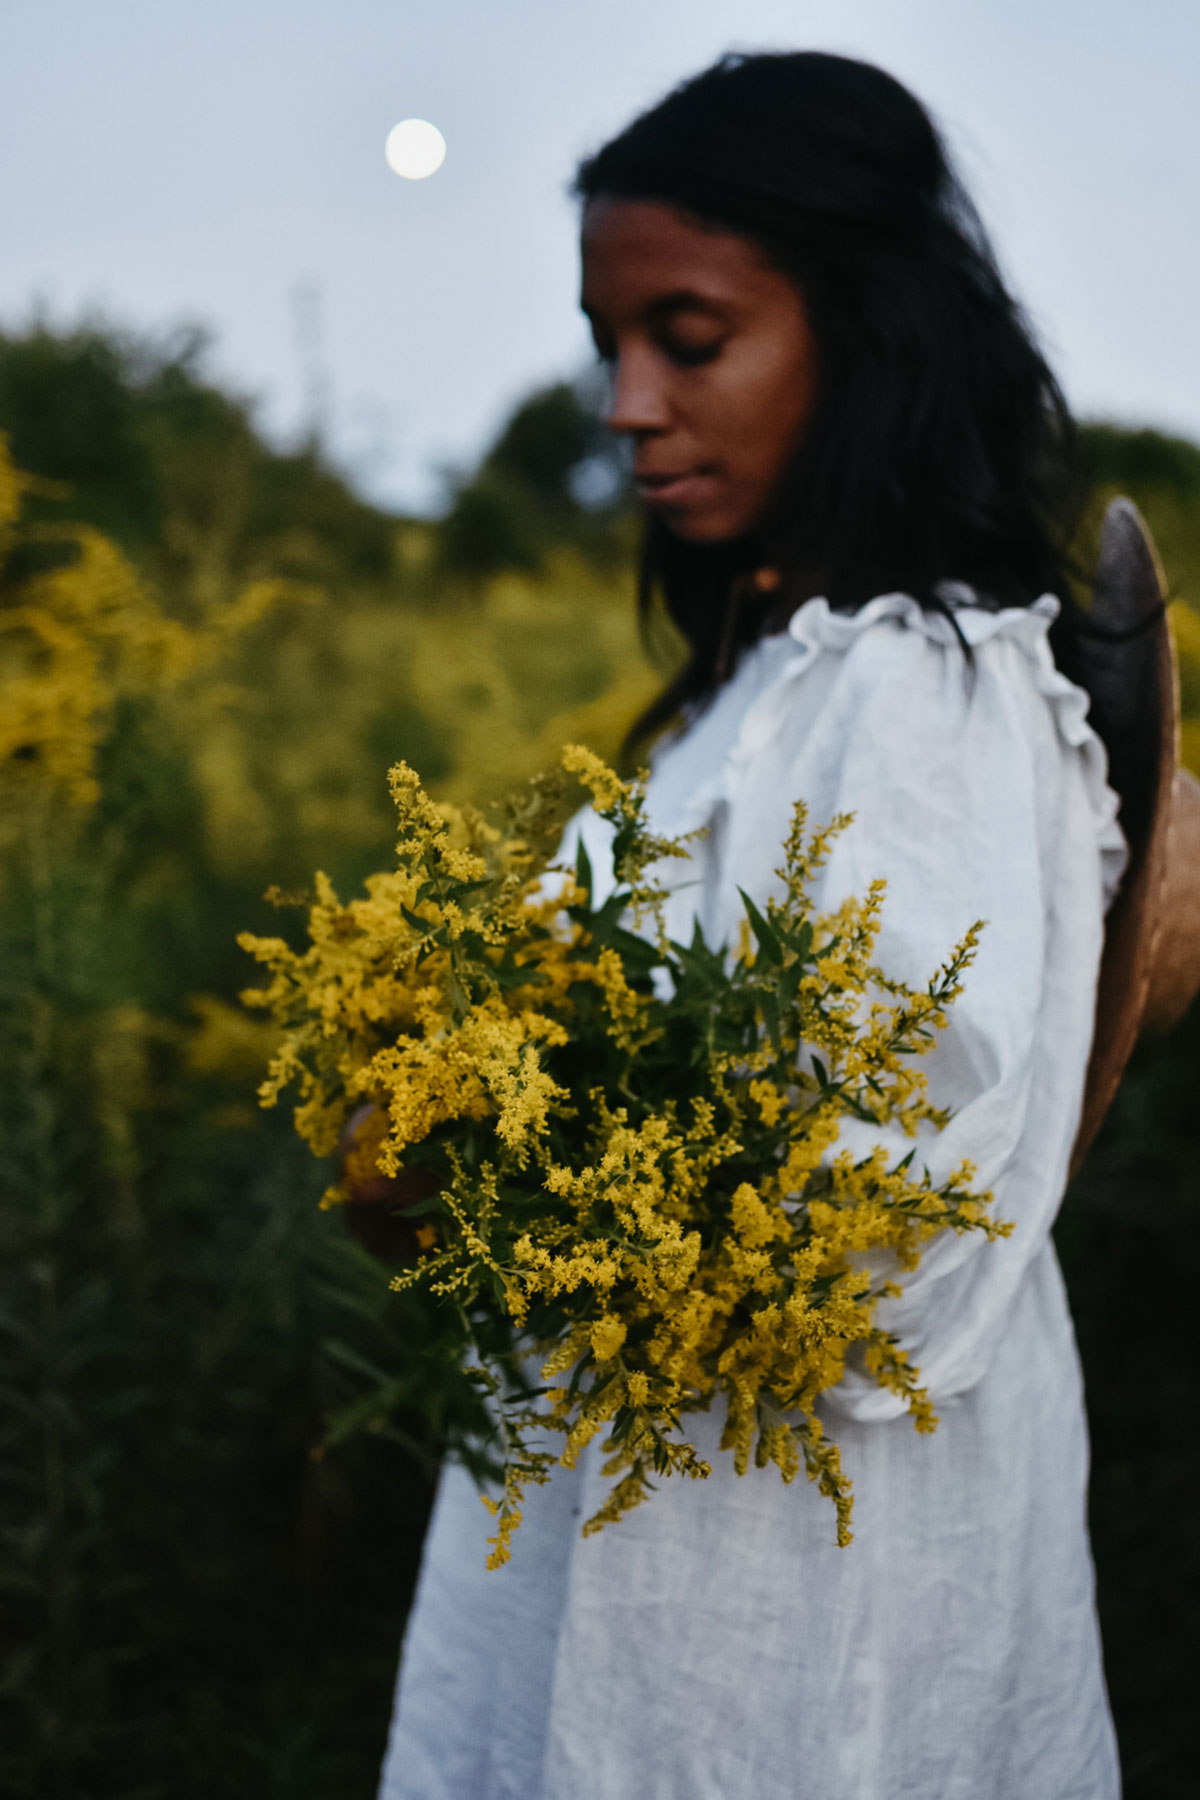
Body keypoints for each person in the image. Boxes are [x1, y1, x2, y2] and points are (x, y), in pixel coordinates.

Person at [377, 52, 1125, 1799]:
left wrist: (485, 1156)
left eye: (690, 339)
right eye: (605, 344)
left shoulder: (929, 688)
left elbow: (897, 1226)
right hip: (628, 1533)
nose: (629, 404)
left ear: (861, 330)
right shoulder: (746, 695)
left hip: (812, 1583)